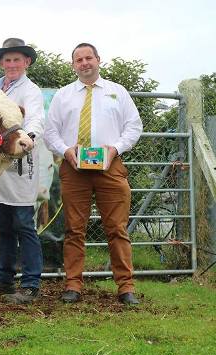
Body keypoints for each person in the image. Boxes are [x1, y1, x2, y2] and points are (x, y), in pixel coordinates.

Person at [43, 43, 142, 305]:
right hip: (74, 170)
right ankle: (73, 285)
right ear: (73, 65)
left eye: (89, 58)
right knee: (74, 229)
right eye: (79, 59)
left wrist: (116, 149)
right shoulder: (63, 95)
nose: (84, 63)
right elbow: (50, 132)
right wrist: (66, 151)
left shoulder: (117, 92)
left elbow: (133, 126)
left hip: (110, 168)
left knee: (117, 229)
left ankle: (126, 288)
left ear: (98, 60)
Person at [0, 38, 45, 304]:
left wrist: (27, 138)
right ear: (1, 62)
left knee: (24, 224)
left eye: (17, 59)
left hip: (20, 162)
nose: (12, 64)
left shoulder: (31, 91)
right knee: (3, 225)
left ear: (26, 62)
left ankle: (30, 284)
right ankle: (4, 280)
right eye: (7, 60)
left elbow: (36, 118)